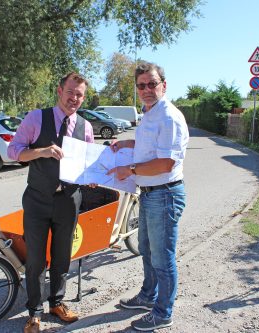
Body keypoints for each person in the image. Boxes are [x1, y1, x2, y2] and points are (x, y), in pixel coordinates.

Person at [8, 72, 94, 333]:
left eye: (79, 94)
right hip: (37, 199)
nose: (74, 98)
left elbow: (88, 164)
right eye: (70, 92)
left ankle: (57, 302)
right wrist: (41, 151)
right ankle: (34, 312)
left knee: (62, 256)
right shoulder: (37, 118)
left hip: (68, 200)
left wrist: (91, 177)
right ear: (60, 90)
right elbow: (13, 151)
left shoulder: (85, 127)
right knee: (35, 259)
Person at [107, 61, 189, 331]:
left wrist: (128, 168)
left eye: (152, 84)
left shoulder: (168, 116)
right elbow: (149, 147)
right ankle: (147, 297)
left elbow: (166, 163)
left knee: (162, 258)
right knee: (146, 250)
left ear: (163, 85)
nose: (146, 89)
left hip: (164, 195)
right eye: (141, 85)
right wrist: (127, 143)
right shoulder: (150, 113)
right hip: (149, 193)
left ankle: (163, 313)